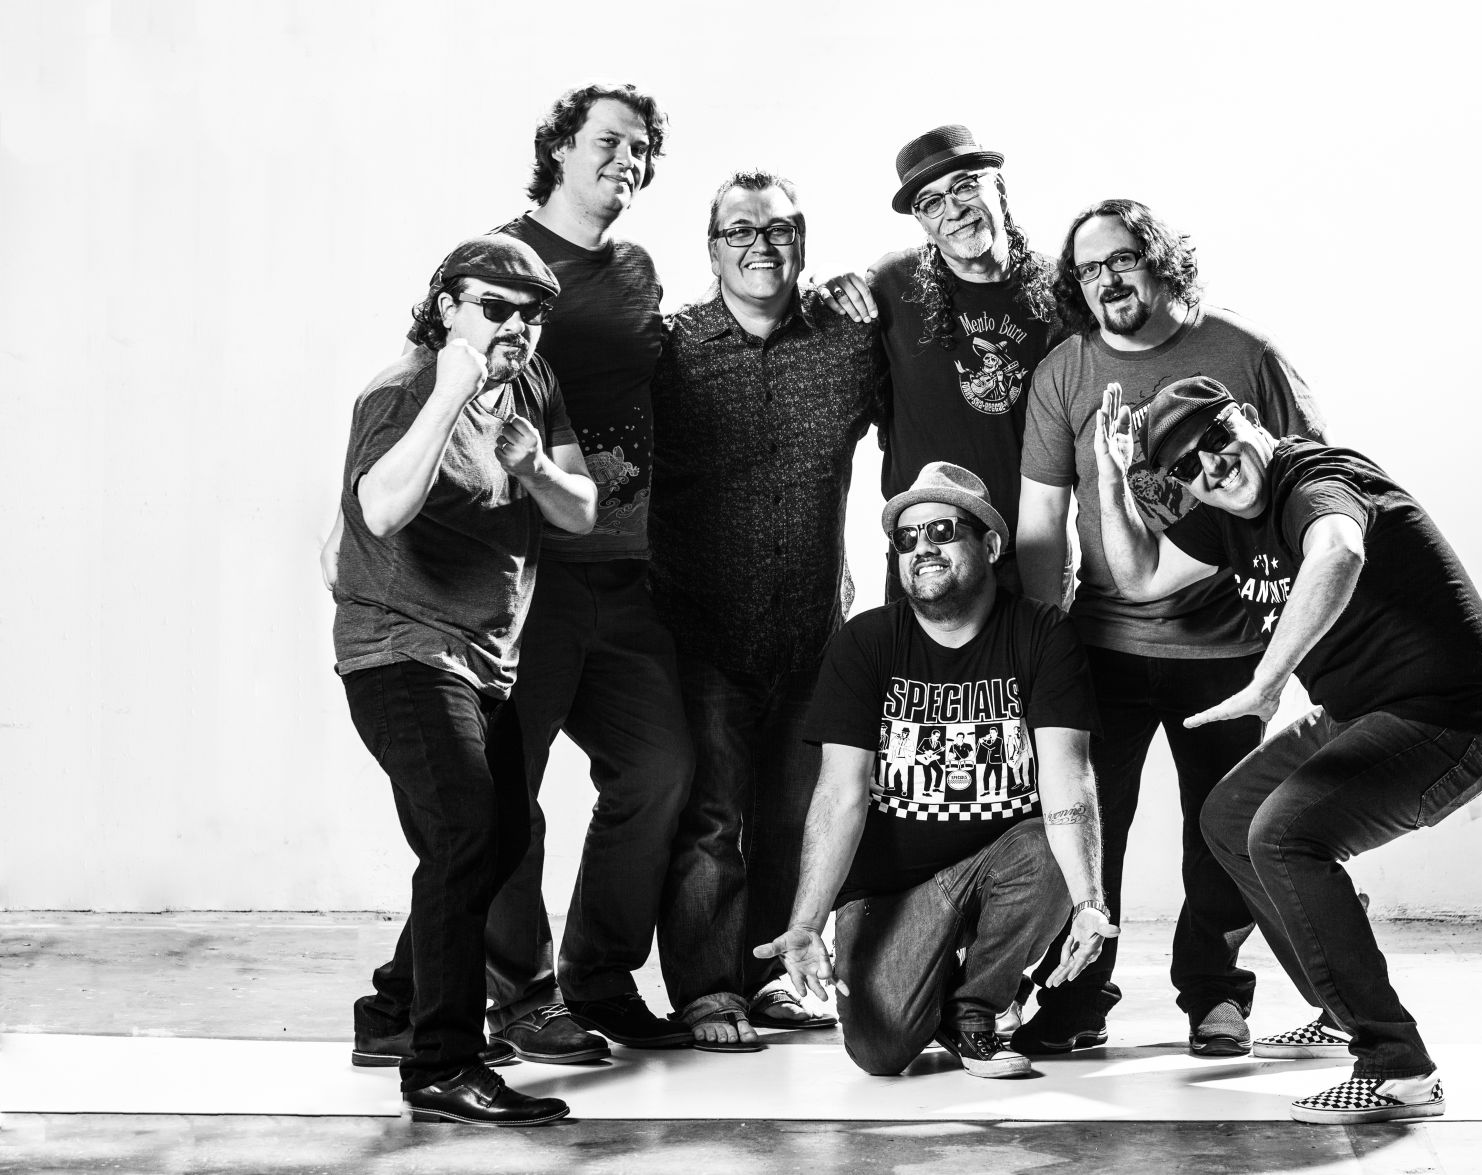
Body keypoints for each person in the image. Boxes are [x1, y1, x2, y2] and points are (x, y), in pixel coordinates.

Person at [322, 83, 691, 1057]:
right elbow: (391, 457)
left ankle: (466, 999)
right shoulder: (485, 282)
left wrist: (538, 468)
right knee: (486, 818)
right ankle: (502, 1008)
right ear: (558, 147)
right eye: (607, 140)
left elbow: (582, 474)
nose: (627, 159)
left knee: (639, 775)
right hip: (463, 613)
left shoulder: (612, 292)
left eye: (642, 147)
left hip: (594, 578)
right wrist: (350, 527)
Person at [1093, 375, 1482, 1124]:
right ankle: (1339, 1008)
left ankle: (1398, 1069)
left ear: (1249, 421)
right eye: (1189, 466)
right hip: (1360, 715)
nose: (1213, 468)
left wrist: (1267, 681)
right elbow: (1139, 576)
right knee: (1231, 817)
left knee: (1284, 833)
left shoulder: (1315, 480)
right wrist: (1109, 474)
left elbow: (1338, 551)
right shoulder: (1227, 518)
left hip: (1453, 721)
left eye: (1218, 440)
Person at [1013, 199, 1327, 1057]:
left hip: (1227, 648)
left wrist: (1287, 641)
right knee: (1085, 828)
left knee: (1220, 830)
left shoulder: (1245, 353)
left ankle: (1213, 994)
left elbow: (1309, 485)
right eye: (1088, 269)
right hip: (1102, 647)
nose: (1106, 280)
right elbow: (1040, 524)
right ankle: (1076, 996)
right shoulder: (1066, 371)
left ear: (1161, 260)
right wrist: (1043, 647)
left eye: (1121, 259)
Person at [332, 234, 599, 1125]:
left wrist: (534, 466)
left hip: (486, 664)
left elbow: (581, 511)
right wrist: (451, 391)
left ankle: (393, 1012)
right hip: (399, 650)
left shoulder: (533, 386)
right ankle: (442, 1064)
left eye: (531, 313)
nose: (515, 327)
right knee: (466, 832)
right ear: (447, 307)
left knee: (496, 835)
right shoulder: (402, 390)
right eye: (494, 307)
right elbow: (379, 509)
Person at [754, 463, 1118, 1079]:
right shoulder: (866, 642)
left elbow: (1068, 777)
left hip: (1001, 866)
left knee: (1048, 849)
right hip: (891, 890)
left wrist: (1088, 901)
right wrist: (806, 923)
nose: (921, 547)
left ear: (991, 545)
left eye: (942, 530)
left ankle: (976, 1008)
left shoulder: (1041, 633)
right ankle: (941, 981)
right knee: (881, 1051)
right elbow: (839, 794)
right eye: (906, 537)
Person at [648, 169, 879, 1050]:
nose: (760, 245)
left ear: (802, 240)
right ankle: (709, 991)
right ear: (711, 250)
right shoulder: (670, 350)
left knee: (793, 815)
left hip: (811, 630)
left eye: (777, 229)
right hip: (701, 628)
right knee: (711, 820)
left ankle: (778, 974)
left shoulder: (848, 342)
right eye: (738, 230)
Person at [818, 125, 1064, 599]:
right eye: (930, 202)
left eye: (965, 186)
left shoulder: (1060, 291)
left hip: (1030, 557)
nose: (953, 210)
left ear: (998, 187)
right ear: (920, 219)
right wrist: (824, 288)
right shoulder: (892, 284)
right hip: (923, 554)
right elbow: (831, 347)